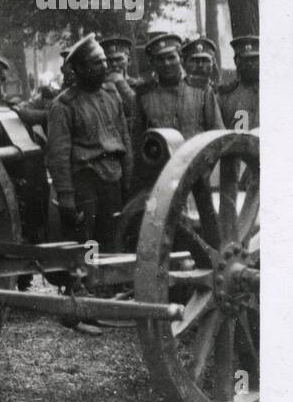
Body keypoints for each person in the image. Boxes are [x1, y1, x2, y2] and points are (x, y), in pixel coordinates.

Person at [45, 33, 134, 253]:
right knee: (85, 244)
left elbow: (124, 139)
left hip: (113, 177)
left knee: (114, 239)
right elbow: (58, 154)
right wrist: (66, 196)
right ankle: (82, 287)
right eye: (97, 62)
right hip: (85, 181)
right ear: (80, 69)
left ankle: (111, 287)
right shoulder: (64, 105)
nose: (105, 66)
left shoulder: (112, 94)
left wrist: (128, 180)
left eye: (104, 60)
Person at [136, 32, 223, 139]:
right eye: (160, 59)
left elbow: (217, 131)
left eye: (171, 57)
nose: (166, 63)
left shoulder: (202, 89)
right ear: (152, 62)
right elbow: (137, 138)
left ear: (180, 58)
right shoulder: (144, 95)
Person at [219, 35, 258, 130]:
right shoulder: (225, 95)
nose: (250, 64)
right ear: (236, 61)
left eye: (254, 59)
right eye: (245, 60)